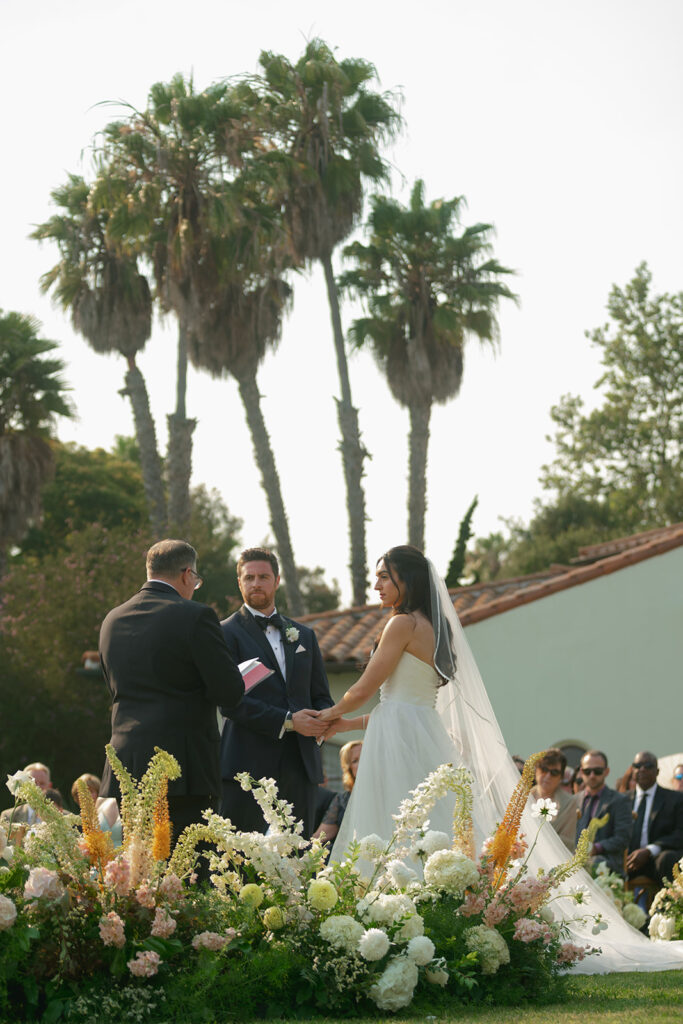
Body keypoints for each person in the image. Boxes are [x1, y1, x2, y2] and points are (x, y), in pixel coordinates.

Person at [317, 545, 683, 973]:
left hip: (398, 738)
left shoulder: (400, 623)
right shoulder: (434, 630)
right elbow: (404, 704)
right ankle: (434, 923)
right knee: (427, 827)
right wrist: (345, 726)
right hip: (413, 732)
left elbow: (366, 689)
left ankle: (391, 928)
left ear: (407, 580)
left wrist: (324, 715)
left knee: (396, 825)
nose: (376, 584)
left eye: (384, 576)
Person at [98, 539, 244, 845]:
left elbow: (114, 686)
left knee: (133, 874)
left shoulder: (112, 620)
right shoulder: (195, 616)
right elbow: (229, 692)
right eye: (196, 581)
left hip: (125, 761)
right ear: (187, 574)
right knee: (187, 876)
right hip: (183, 767)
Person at [219, 548, 333, 837]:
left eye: (263, 577)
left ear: (277, 580)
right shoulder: (224, 633)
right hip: (247, 766)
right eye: (249, 577)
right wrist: (289, 720)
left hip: (301, 764)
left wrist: (325, 720)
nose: (256, 583)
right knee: (242, 862)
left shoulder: (304, 635)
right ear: (240, 582)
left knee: (298, 857)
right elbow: (230, 702)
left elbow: (320, 694)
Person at [626, 751, 683, 887]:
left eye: (648, 765)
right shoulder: (622, 800)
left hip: (656, 860)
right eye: (638, 765)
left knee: (668, 859)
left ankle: (667, 906)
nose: (642, 769)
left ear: (657, 771)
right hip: (627, 860)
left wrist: (650, 850)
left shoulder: (675, 799)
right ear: (633, 770)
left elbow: (680, 834)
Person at [574, 750, 630, 875]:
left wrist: (596, 848)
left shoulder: (619, 801)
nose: (592, 775)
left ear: (606, 771)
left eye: (597, 771)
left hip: (606, 864)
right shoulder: (574, 800)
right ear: (582, 772)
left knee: (595, 862)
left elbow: (622, 838)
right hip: (575, 861)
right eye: (588, 771)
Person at [312, 741, 363, 844]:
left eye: (364, 755)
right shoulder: (342, 800)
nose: (362, 762)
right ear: (349, 769)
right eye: (355, 760)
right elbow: (320, 836)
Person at [529, 749, 579, 852]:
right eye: (544, 769)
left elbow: (568, 843)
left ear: (561, 777)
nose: (548, 776)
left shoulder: (569, 803)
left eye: (554, 772)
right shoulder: (524, 797)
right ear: (536, 770)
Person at [71, 773, 123, 847]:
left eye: (91, 791)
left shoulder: (113, 806)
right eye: (81, 793)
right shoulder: (74, 824)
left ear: (98, 792)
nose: (87, 796)